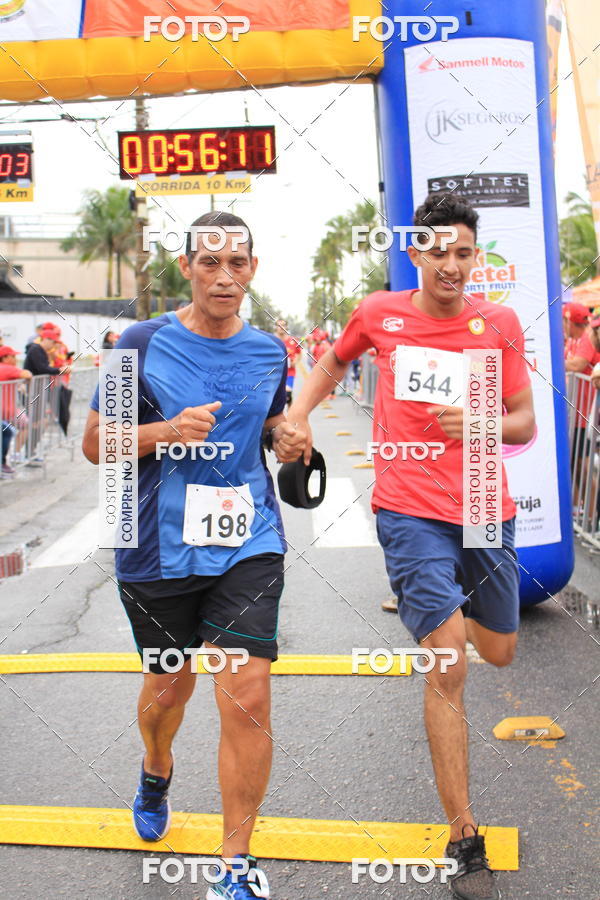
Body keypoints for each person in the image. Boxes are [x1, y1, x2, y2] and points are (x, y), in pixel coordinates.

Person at [289, 193, 534, 900]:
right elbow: (332, 366)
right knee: (449, 659)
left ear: (475, 258)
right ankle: (464, 834)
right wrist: (300, 414)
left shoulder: (501, 323)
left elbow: (523, 422)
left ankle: (444, 612)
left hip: (487, 508)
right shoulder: (379, 313)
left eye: (463, 253)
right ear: (416, 254)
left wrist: (482, 421)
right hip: (409, 510)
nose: (450, 265)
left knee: (499, 651)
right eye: (438, 252)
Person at [82, 211, 307, 900]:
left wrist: (288, 441)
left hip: (248, 540)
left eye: (236, 263)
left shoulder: (271, 351)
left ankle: (235, 865)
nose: (223, 276)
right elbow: (96, 442)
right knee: (167, 690)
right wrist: (165, 431)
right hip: (155, 548)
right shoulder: (141, 343)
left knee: (247, 693)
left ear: (252, 270)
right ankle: (155, 767)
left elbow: (270, 425)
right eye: (209, 263)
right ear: (187, 268)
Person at [0, 346, 31, 474]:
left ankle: (10, 458)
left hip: (9, 409)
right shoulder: (7, 368)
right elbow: (27, 374)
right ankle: (10, 458)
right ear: (5, 358)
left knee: (9, 431)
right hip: (7, 410)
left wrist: (18, 383)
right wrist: (22, 382)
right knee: (8, 432)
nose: (15, 359)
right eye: (12, 356)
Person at [274, 318, 301, 406]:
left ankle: (289, 417)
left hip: (289, 373)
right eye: (279, 325)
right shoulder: (271, 340)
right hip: (275, 374)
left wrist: (295, 362)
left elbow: (298, 353)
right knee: (276, 398)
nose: (281, 327)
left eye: (283, 325)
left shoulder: (293, 340)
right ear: (276, 327)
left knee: (288, 396)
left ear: (286, 327)